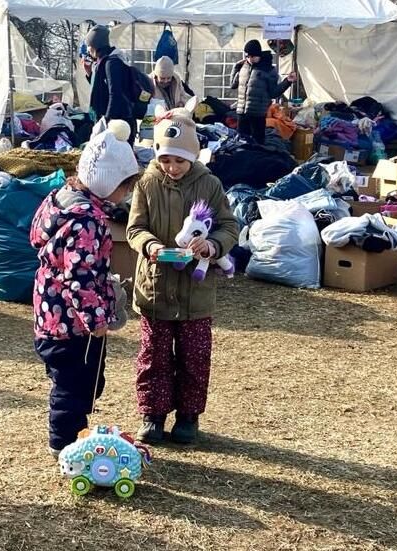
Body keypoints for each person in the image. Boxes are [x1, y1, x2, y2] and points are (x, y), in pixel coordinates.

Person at [127, 108, 239, 445]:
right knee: (154, 355)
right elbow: (135, 228)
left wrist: (213, 246)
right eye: (166, 160)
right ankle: (153, 415)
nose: (172, 168)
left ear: (192, 156)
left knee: (194, 356)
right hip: (155, 288)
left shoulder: (210, 184)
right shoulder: (147, 184)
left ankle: (189, 417)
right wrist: (151, 247)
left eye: (180, 161)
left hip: (195, 292)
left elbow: (229, 225)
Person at [31, 120, 141, 457]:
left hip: (51, 313)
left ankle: (71, 435)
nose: (126, 195)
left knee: (78, 381)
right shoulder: (86, 221)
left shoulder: (61, 200)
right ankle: (64, 446)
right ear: (107, 182)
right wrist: (97, 319)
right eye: (125, 187)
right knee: (73, 386)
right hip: (71, 323)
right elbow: (78, 277)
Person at [230, 39, 296, 145]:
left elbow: (274, 93)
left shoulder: (268, 70)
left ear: (259, 55)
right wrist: (236, 67)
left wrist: (287, 82)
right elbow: (232, 85)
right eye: (247, 56)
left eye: (252, 56)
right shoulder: (243, 67)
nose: (250, 59)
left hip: (258, 113)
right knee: (241, 143)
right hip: (242, 112)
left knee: (258, 143)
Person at [83, 25, 136, 145]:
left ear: (94, 45)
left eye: (89, 46)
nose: (88, 50)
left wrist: (107, 119)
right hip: (117, 118)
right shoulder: (105, 61)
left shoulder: (112, 63)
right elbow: (103, 89)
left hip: (118, 122)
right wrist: (89, 74)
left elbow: (115, 93)